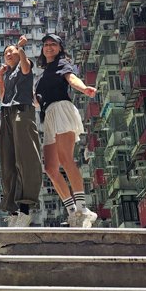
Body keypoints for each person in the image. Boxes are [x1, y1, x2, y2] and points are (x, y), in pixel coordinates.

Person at [35, 33, 98, 228]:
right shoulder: (42, 76)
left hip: (62, 109)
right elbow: (36, 102)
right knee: (51, 169)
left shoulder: (62, 64)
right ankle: (73, 212)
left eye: (53, 44)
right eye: (46, 44)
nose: (49, 47)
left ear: (60, 48)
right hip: (49, 117)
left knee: (65, 159)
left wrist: (84, 88)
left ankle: (83, 208)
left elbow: (71, 79)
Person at [0, 36, 42, 227]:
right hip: (6, 114)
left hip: (22, 111)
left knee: (26, 158)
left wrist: (21, 48)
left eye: (11, 51)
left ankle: (25, 209)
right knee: (8, 161)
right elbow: (2, 96)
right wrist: (0, 78)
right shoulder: (7, 73)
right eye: (5, 52)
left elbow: (25, 68)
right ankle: (13, 211)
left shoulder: (25, 63)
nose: (8, 53)